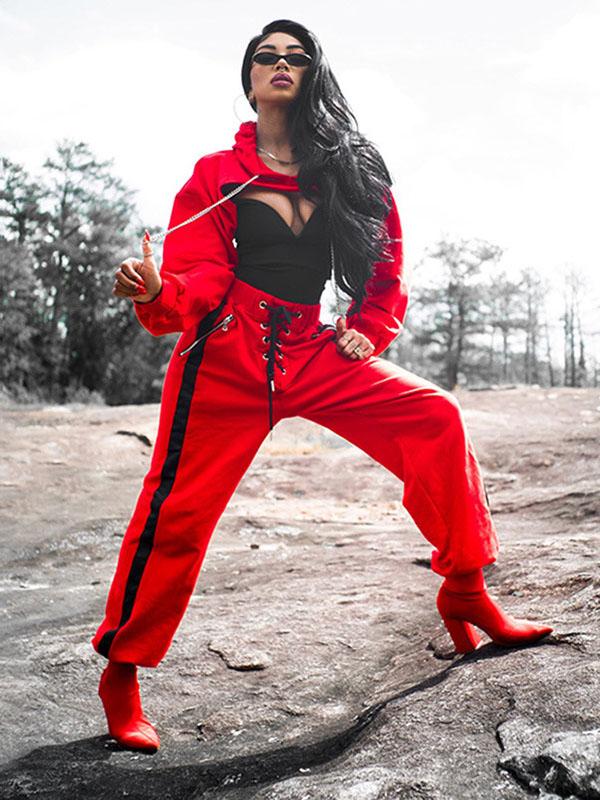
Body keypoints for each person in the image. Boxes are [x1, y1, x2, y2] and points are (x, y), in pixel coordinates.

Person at [91, 19, 553, 753]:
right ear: (249, 80)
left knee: (435, 415)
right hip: (226, 357)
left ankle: (465, 587)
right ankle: (122, 670)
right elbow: (200, 273)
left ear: (312, 74)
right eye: (266, 56)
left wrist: (369, 324)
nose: (281, 64)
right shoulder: (217, 172)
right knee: (175, 513)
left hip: (312, 347)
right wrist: (159, 290)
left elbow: (386, 259)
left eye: (296, 57)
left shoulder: (348, 167)